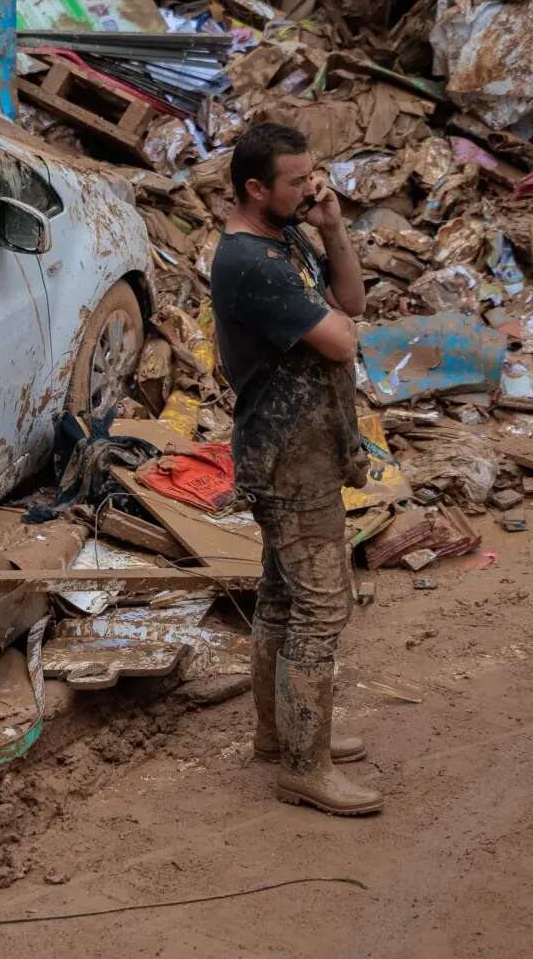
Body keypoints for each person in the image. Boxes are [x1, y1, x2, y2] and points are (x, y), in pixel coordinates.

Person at [209, 121, 381, 817]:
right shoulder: (250, 261)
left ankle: (279, 736)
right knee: (320, 607)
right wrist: (342, 331)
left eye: (314, 175)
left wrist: (332, 226)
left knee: (283, 598)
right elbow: (341, 339)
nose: (312, 187)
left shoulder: (286, 236)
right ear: (256, 189)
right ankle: (304, 767)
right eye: (297, 181)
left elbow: (354, 301)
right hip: (286, 461)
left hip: (303, 450)